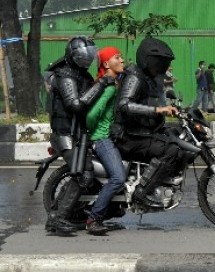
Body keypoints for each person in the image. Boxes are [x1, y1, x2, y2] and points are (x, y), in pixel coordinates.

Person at [45, 36, 113, 233]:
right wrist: (101, 85)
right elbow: (75, 105)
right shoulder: (64, 75)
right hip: (65, 134)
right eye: (83, 57)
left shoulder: (83, 76)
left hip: (81, 134)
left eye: (89, 56)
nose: (87, 60)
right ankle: (57, 218)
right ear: (73, 56)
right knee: (83, 173)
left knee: (93, 171)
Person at [110, 38, 181, 207]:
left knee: (174, 137)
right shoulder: (135, 77)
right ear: (146, 60)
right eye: (157, 62)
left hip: (139, 132)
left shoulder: (147, 77)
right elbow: (124, 105)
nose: (159, 66)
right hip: (127, 136)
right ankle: (142, 191)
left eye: (162, 63)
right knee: (170, 150)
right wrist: (157, 111)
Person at [85, 46, 126, 235]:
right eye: (117, 58)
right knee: (118, 177)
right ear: (106, 63)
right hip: (101, 138)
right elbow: (92, 114)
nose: (122, 61)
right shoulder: (109, 86)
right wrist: (96, 130)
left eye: (122, 57)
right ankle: (94, 218)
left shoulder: (113, 82)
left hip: (105, 136)